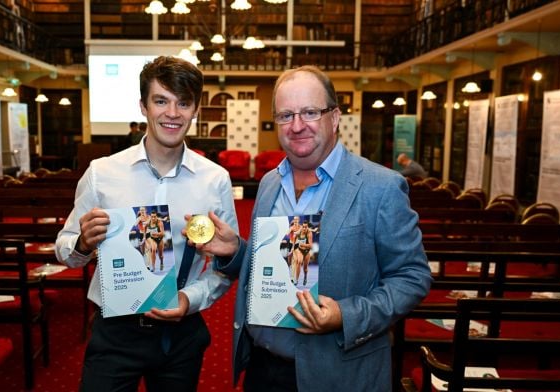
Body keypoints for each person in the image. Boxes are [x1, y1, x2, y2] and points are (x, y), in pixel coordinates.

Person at [192, 65, 432, 391]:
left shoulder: (381, 187)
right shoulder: (269, 183)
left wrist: (346, 316)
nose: (297, 125)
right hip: (264, 368)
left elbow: (412, 277)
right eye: (286, 115)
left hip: (338, 374)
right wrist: (237, 251)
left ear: (334, 118)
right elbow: (280, 263)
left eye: (309, 112)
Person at [55, 55, 239, 392]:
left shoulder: (215, 180)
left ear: (195, 109)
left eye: (183, 103)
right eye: (161, 101)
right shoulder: (102, 173)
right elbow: (65, 250)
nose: (172, 113)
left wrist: (190, 299)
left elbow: (224, 266)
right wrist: (81, 243)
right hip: (115, 332)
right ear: (143, 106)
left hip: (180, 337)